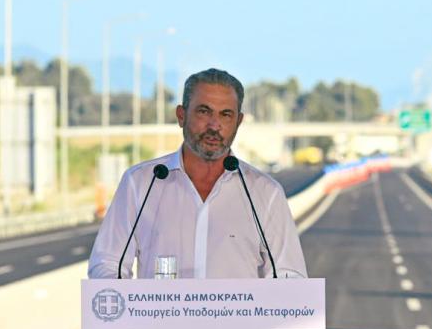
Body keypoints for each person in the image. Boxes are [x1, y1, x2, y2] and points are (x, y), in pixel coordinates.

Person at [88, 68, 307, 279]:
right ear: (181, 116)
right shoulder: (141, 183)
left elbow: (289, 276)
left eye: (226, 115)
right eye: (204, 112)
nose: (214, 125)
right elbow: (107, 264)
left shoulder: (265, 193)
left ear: (238, 122)